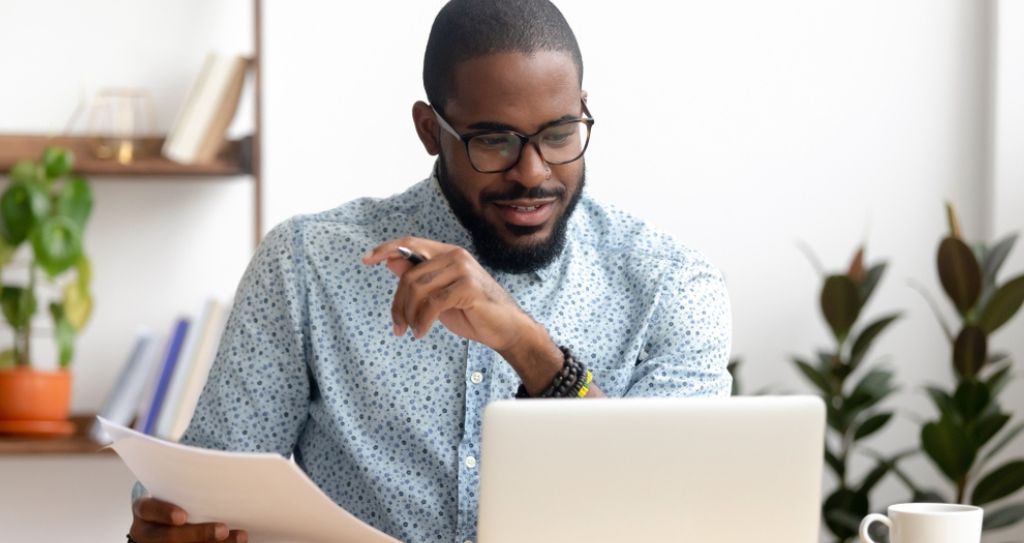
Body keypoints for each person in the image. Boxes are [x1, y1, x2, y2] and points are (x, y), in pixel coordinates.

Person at [128, 1, 732, 542]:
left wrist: (527, 346)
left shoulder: (672, 287)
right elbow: (207, 487)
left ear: (583, 112)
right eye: (494, 141)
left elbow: (672, 513)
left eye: (558, 133)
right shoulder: (307, 265)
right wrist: (174, 527)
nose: (532, 171)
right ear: (429, 130)